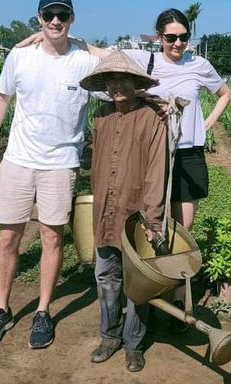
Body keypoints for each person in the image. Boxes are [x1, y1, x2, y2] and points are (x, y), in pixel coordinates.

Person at [17, 7, 231, 330]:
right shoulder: (143, 61)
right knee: (148, 230)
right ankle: (145, 298)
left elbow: (224, 94)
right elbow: (102, 53)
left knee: (177, 235)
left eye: (184, 37)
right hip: (150, 151)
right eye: (171, 37)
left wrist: (203, 125)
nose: (178, 43)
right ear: (159, 36)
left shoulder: (199, 65)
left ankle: (173, 304)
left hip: (186, 156)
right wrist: (54, 37)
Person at [0, 0, 99, 349]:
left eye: (63, 15)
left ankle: (43, 311)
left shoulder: (84, 61)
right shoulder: (20, 56)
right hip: (17, 160)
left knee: (51, 237)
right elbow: (1, 99)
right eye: (49, 15)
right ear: (39, 18)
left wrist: (84, 45)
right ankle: (1, 309)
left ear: (72, 19)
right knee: (8, 236)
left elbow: (121, 61)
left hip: (61, 164)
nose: (56, 21)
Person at [80, 50, 168, 373]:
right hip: (106, 210)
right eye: (111, 80)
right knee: (106, 275)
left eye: (123, 80)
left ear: (135, 83)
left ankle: (133, 343)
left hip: (137, 215)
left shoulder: (151, 119)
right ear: (104, 85)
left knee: (136, 282)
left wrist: (152, 216)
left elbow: (157, 172)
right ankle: (109, 336)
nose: (117, 86)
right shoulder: (100, 118)